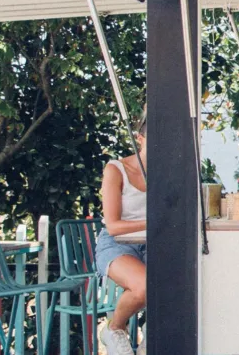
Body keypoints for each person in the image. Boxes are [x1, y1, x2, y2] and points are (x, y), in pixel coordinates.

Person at [96, 114, 148, 355]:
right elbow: (114, 226)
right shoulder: (116, 169)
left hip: (154, 243)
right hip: (117, 244)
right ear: (140, 139)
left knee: (182, 282)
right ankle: (115, 329)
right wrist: (153, 221)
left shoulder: (171, 171)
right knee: (146, 286)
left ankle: (154, 336)